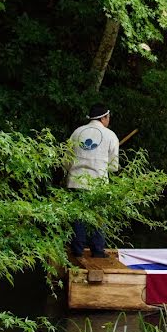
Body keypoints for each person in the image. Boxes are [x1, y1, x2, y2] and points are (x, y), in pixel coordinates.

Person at [66, 103, 120, 258]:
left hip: (76, 181)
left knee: (78, 218)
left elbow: (66, 161)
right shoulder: (110, 135)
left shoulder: (77, 133)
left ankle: (77, 251)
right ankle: (97, 251)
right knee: (98, 218)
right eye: (108, 117)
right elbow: (113, 166)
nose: (109, 120)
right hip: (98, 183)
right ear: (104, 117)